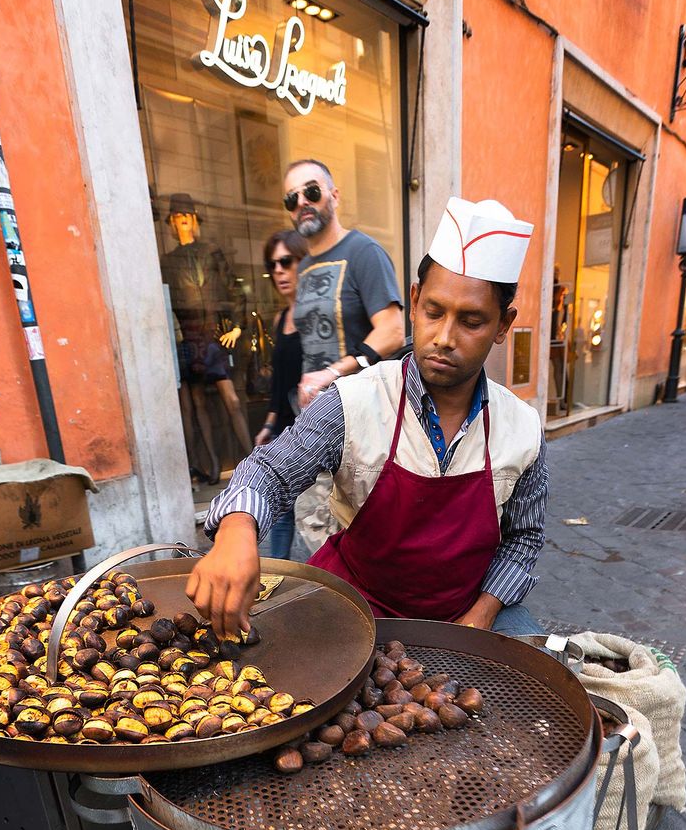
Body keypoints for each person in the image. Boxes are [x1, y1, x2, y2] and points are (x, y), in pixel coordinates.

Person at [188, 196, 549, 641]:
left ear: (502, 325)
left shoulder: (523, 428)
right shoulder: (354, 400)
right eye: (434, 312)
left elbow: (524, 539)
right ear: (414, 302)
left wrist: (483, 613)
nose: (444, 337)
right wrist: (237, 529)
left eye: (472, 321)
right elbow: (271, 471)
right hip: (355, 602)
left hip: (464, 609)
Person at [283, 159, 406, 408]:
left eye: (312, 191)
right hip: (317, 412)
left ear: (335, 196)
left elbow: (392, 332)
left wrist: (332, 373)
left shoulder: (364, 251)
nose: (302, 202)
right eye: (291, 198)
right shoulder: (304, 267)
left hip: (363, 411)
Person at [159, 192, 252, 483]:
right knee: (198, 405)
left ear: (194, 220)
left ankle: (253, 461)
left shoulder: (211, 251)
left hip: (212, 335)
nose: (183, 222)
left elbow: (234, 290)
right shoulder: (167, 261)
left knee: (231, 400)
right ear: (173, 223)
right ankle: (211, 466)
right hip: (186, 338)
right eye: (177, 218)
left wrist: (237, 327)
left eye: (187, 217)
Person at [254, 228, 305, 559]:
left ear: (304, 262)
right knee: (282, 511)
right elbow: (279, 382)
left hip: (316, 430)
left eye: (286, 262)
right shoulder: (280, 318)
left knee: (323, 519)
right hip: (286, 430)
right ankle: (277, 579)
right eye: (273, 265)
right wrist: (270, 425)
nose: (279, 272)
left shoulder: (320, 319)